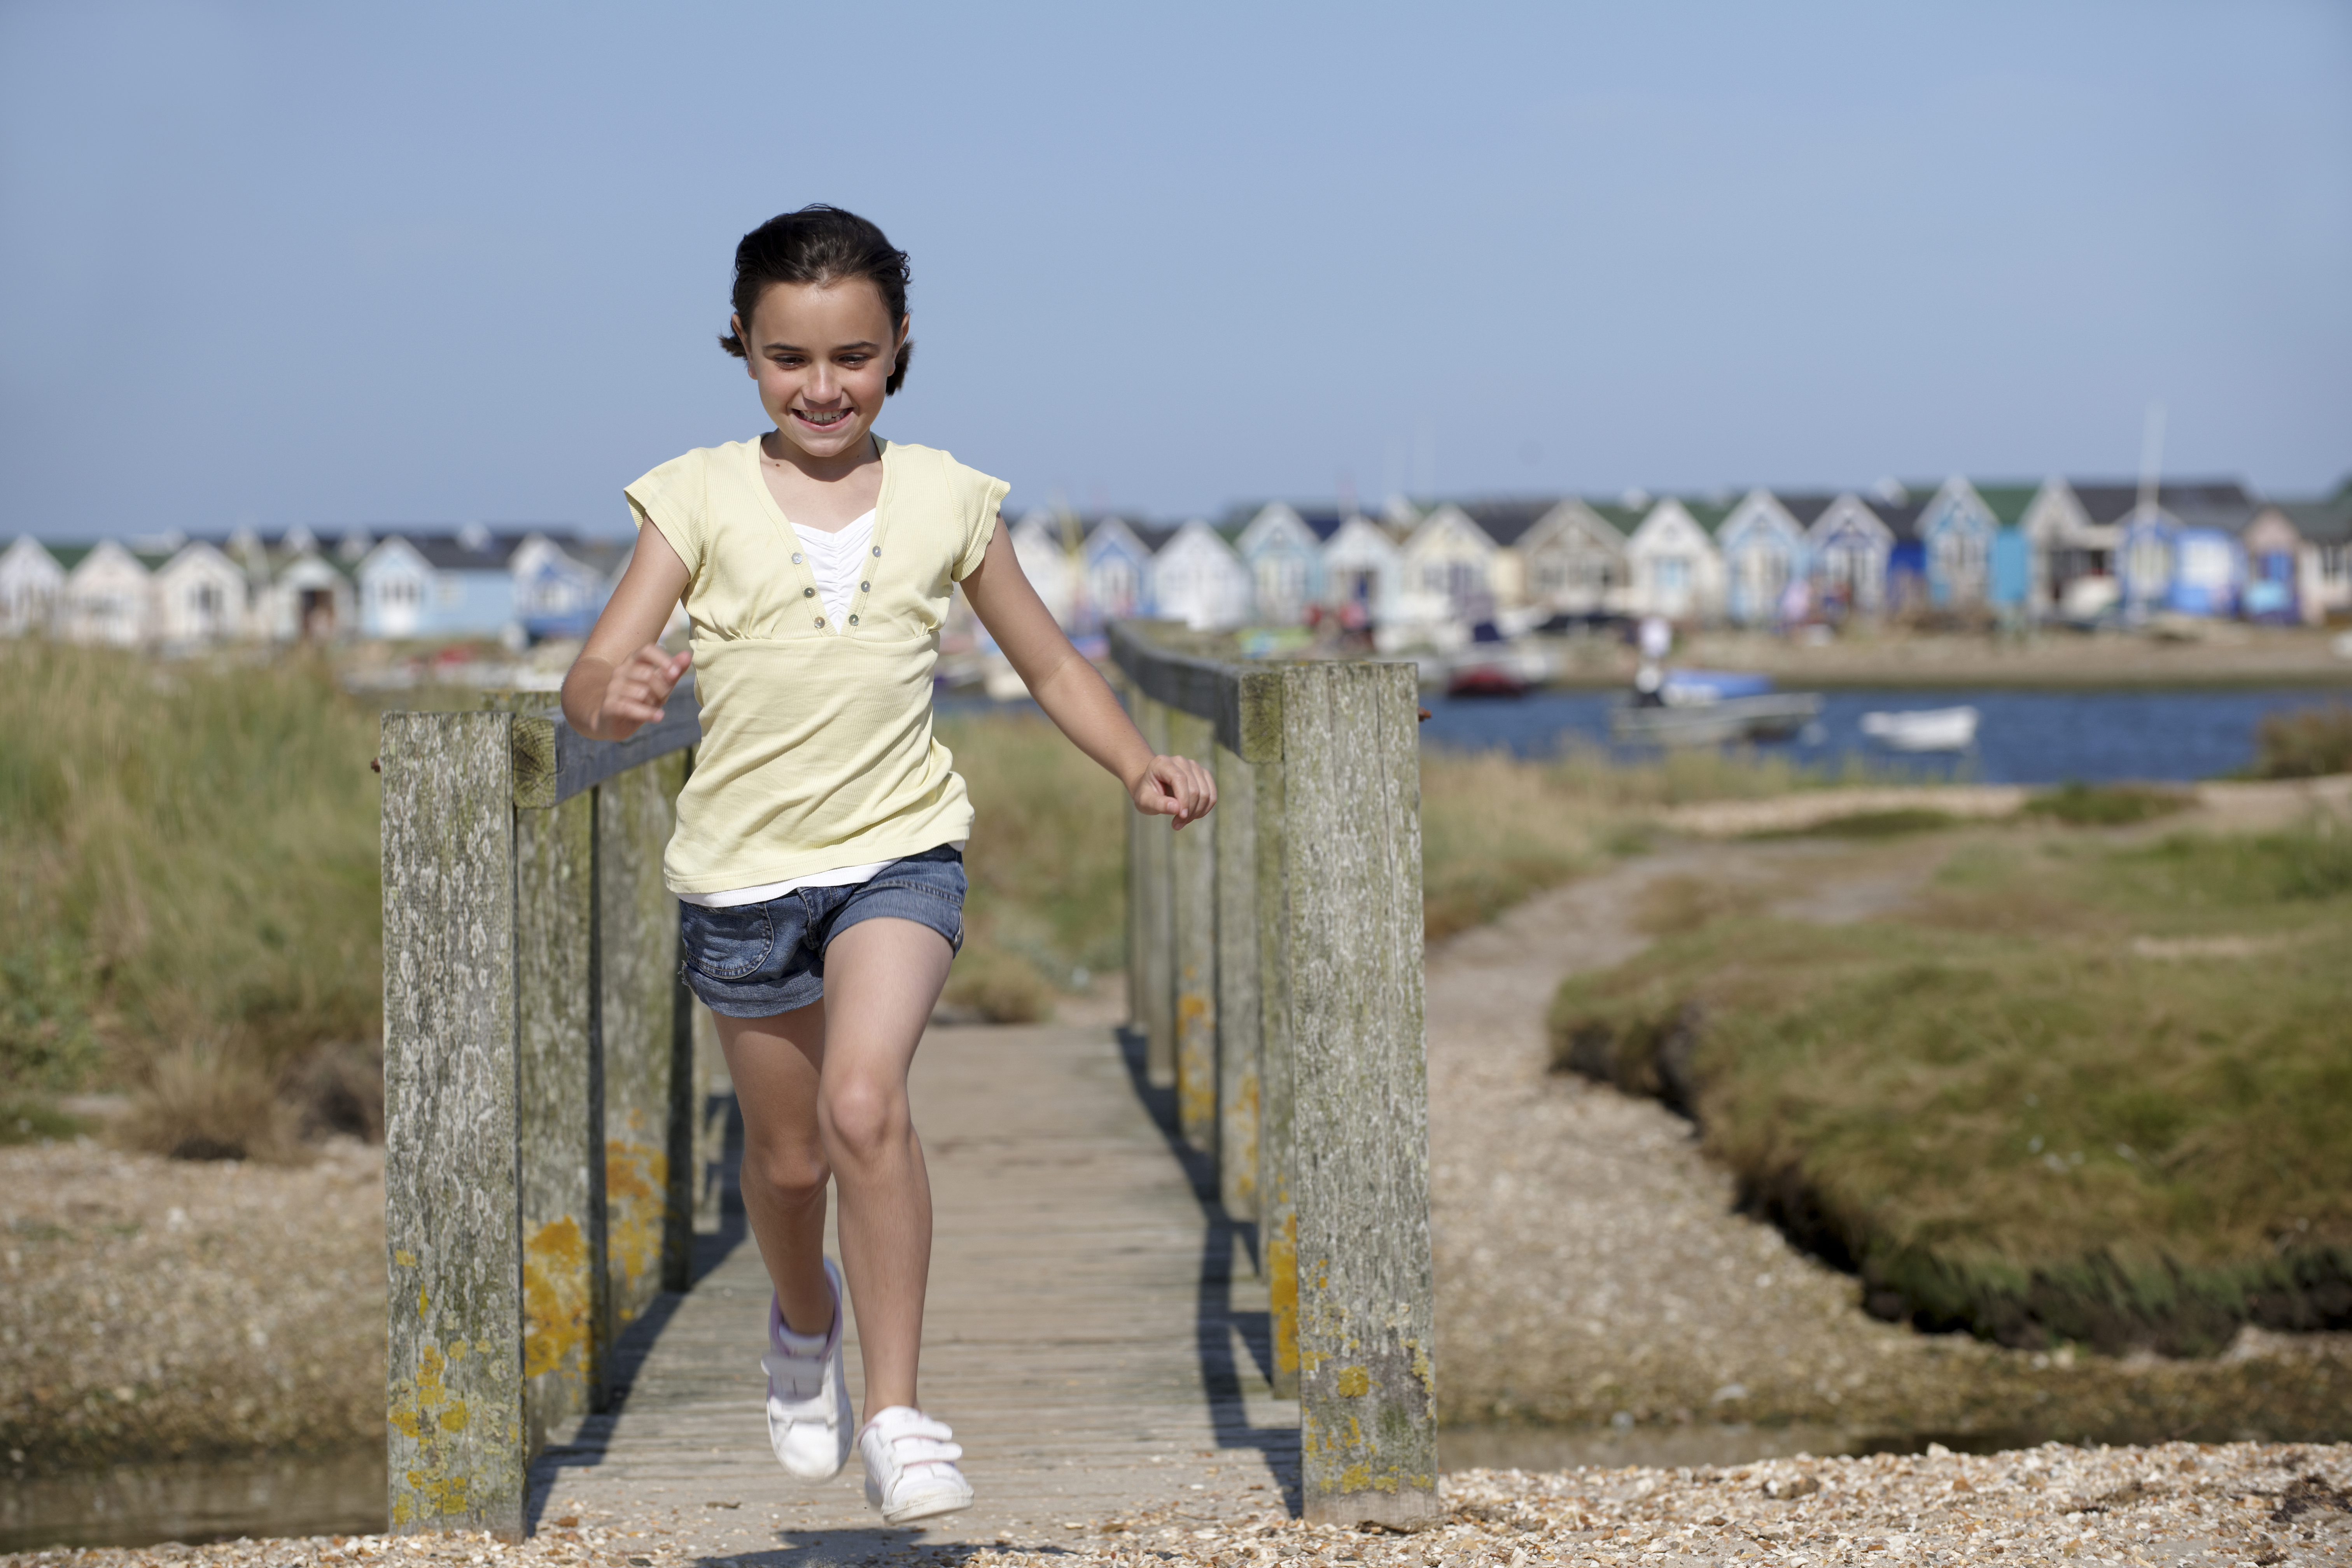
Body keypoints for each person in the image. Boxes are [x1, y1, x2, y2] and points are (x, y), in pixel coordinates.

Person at [560, 206, 1215, 1524]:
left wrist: (1133, 760)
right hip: (742, 876)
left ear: (901, 346)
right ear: (743, 346)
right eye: (790, 358)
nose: (823, 387)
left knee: (865, 1106)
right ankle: (803, 1318)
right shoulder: (693, 495)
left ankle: (899, 1413)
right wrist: (609, 700)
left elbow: (1049, 661)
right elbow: (593, 670)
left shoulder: (948, 498)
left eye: (853, 357)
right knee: (789, 1163)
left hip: (898, 853)